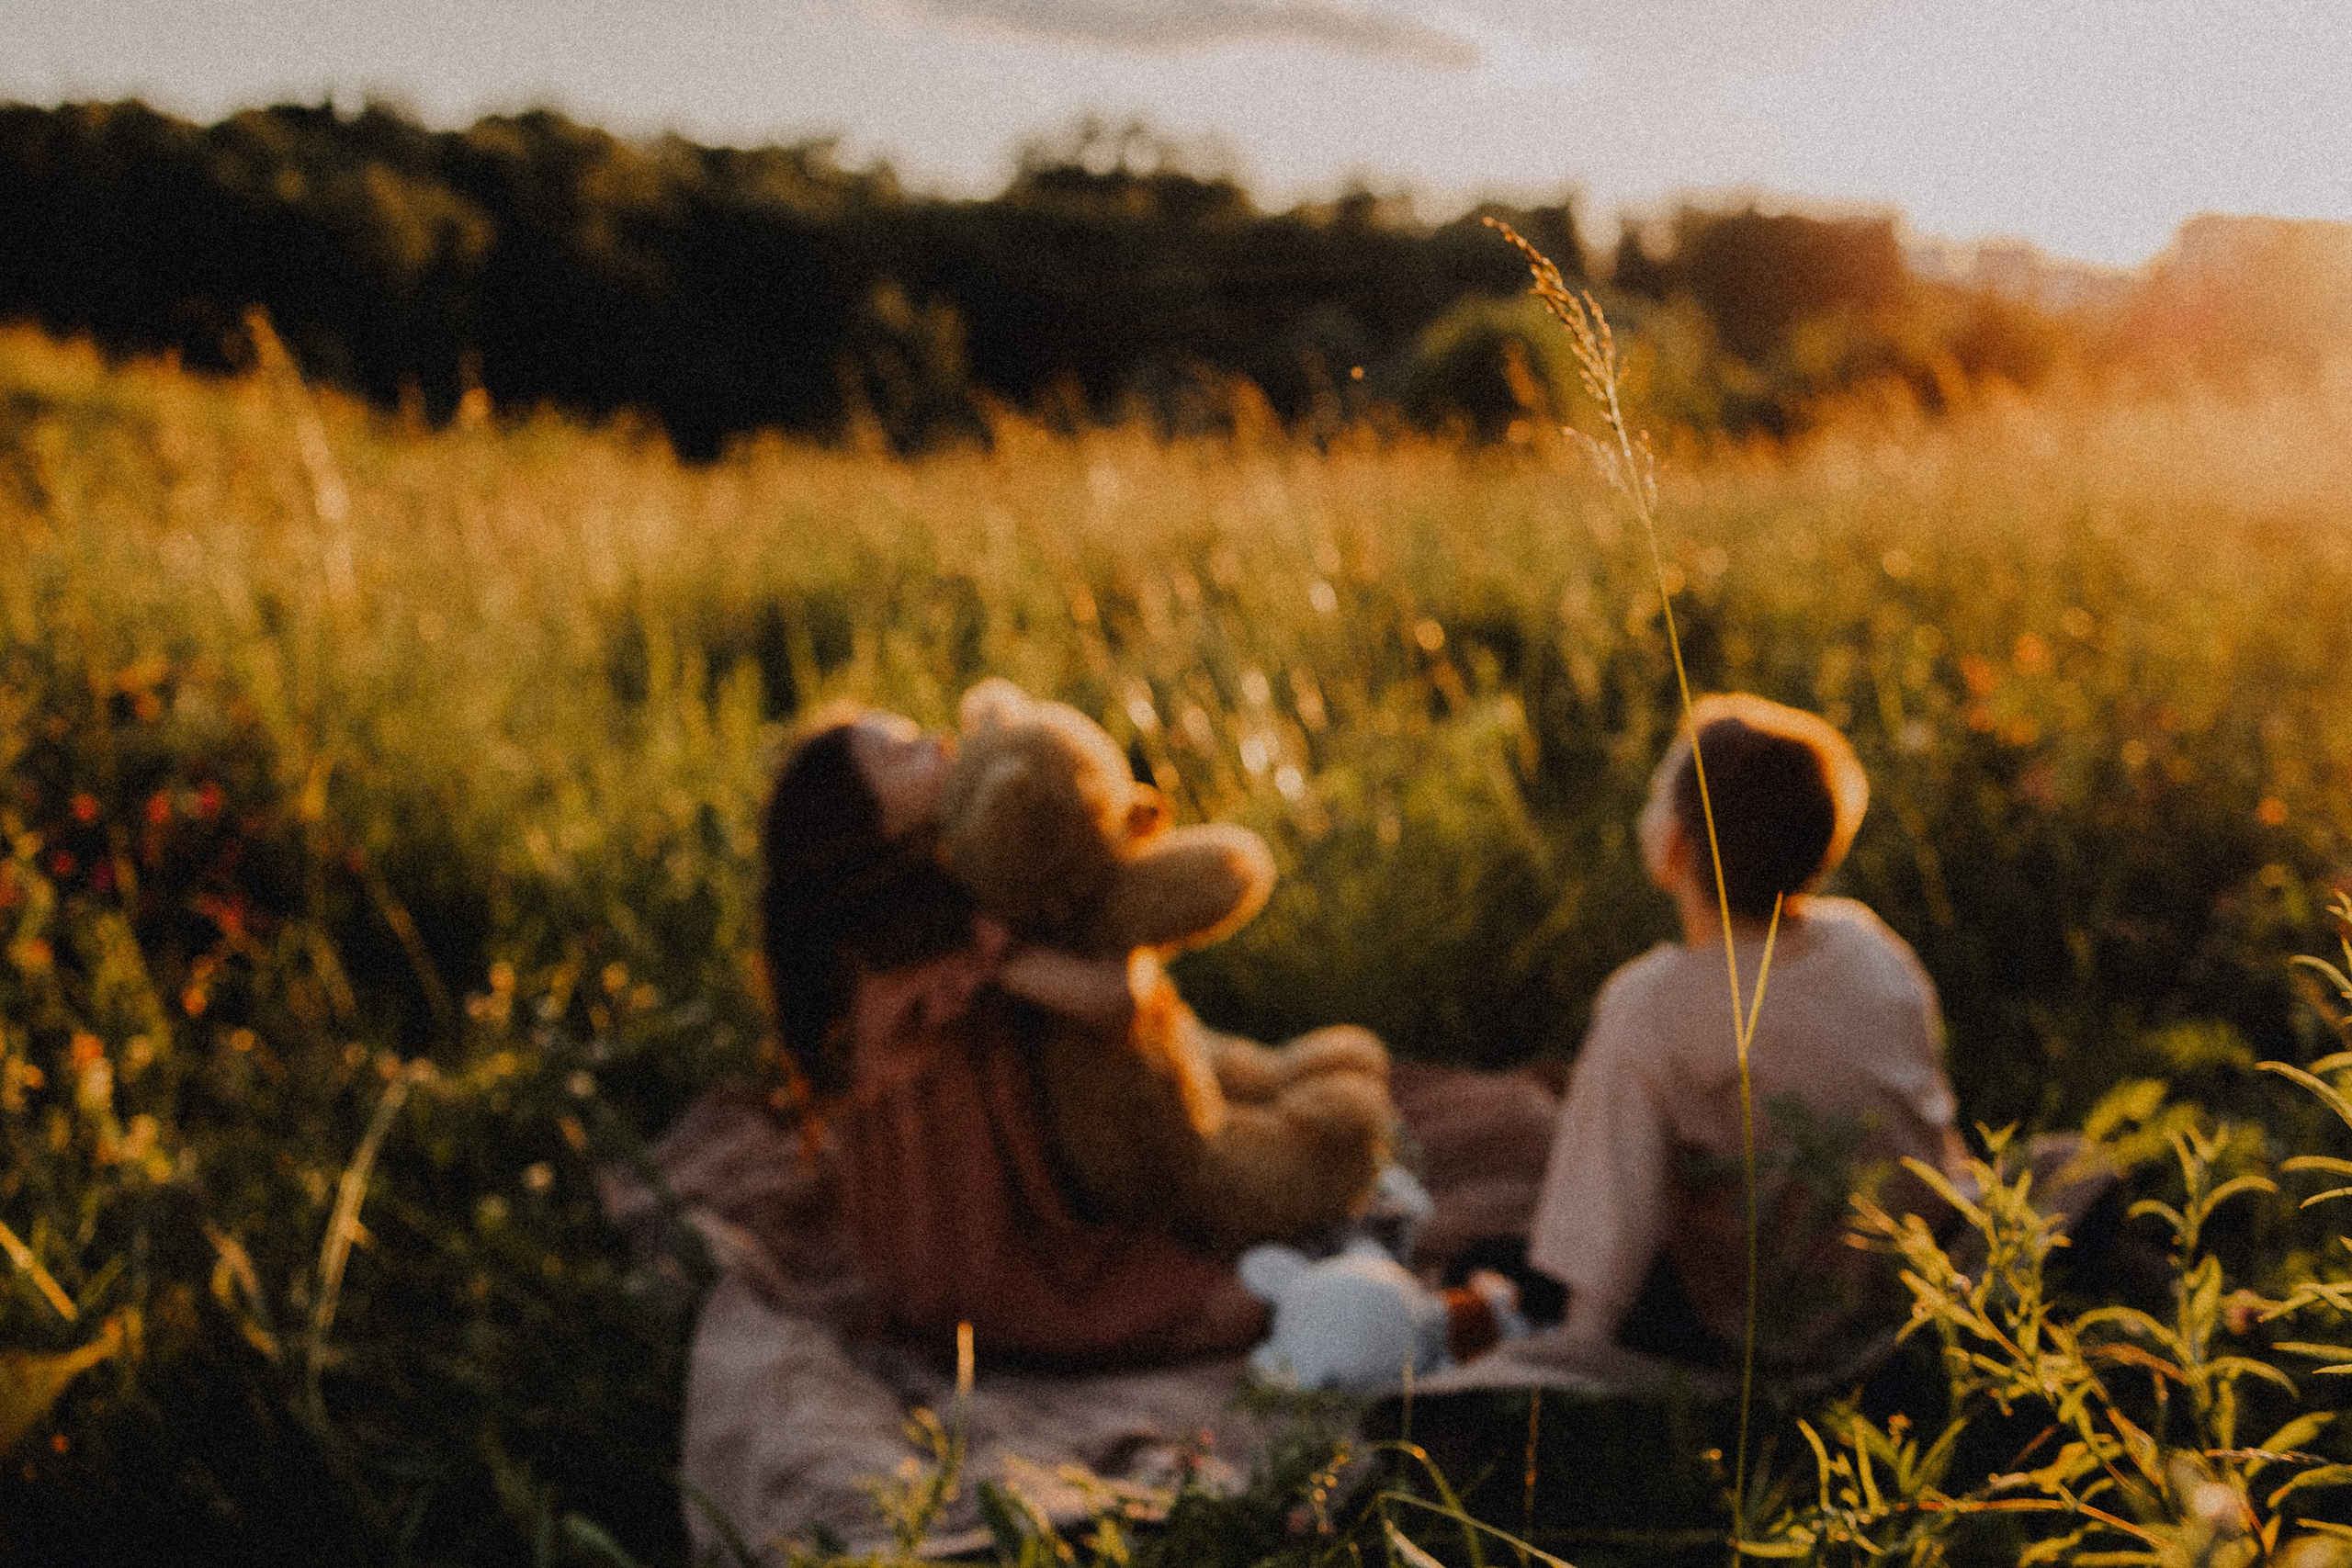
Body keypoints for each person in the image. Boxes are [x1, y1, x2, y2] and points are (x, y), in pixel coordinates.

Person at [757, 702, 1270, 1368]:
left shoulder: (907, 916)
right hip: (975, 1247)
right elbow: (1111, 1001)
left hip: (961, 1231)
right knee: (1235, 1300)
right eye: (902, 753)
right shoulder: (937, 949)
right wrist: (1090, 931)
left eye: (917, 730)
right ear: (869, 823)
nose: (936, 740)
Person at [1525, 694, 1967, 1369]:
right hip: (1907, 1288)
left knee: (1504, 1256)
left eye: (1657, 792)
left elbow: (1611, 1239)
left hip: (1769, 1332)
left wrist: (1568, 1361)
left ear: (1675, 842)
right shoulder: (1868, 942)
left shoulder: (1649, 1001)